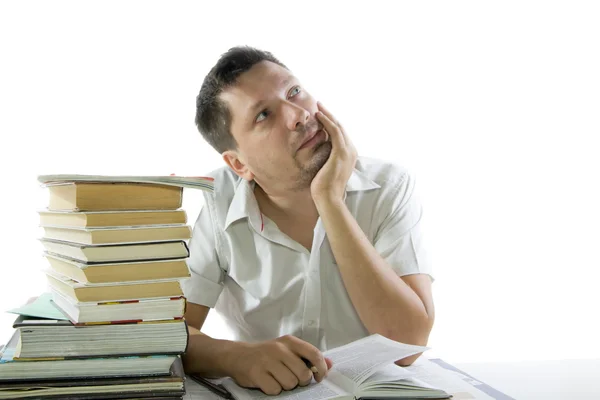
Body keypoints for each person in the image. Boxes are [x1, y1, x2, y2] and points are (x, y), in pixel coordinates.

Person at [181, 46, 435, 395]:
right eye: (264, 115)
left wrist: (330, 201)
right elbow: (171, 336)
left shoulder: (388, 187)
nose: (299, 114)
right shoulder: (217, 201)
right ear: (239, 164)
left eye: (294, 91)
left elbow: (407, 345)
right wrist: (235, 357)